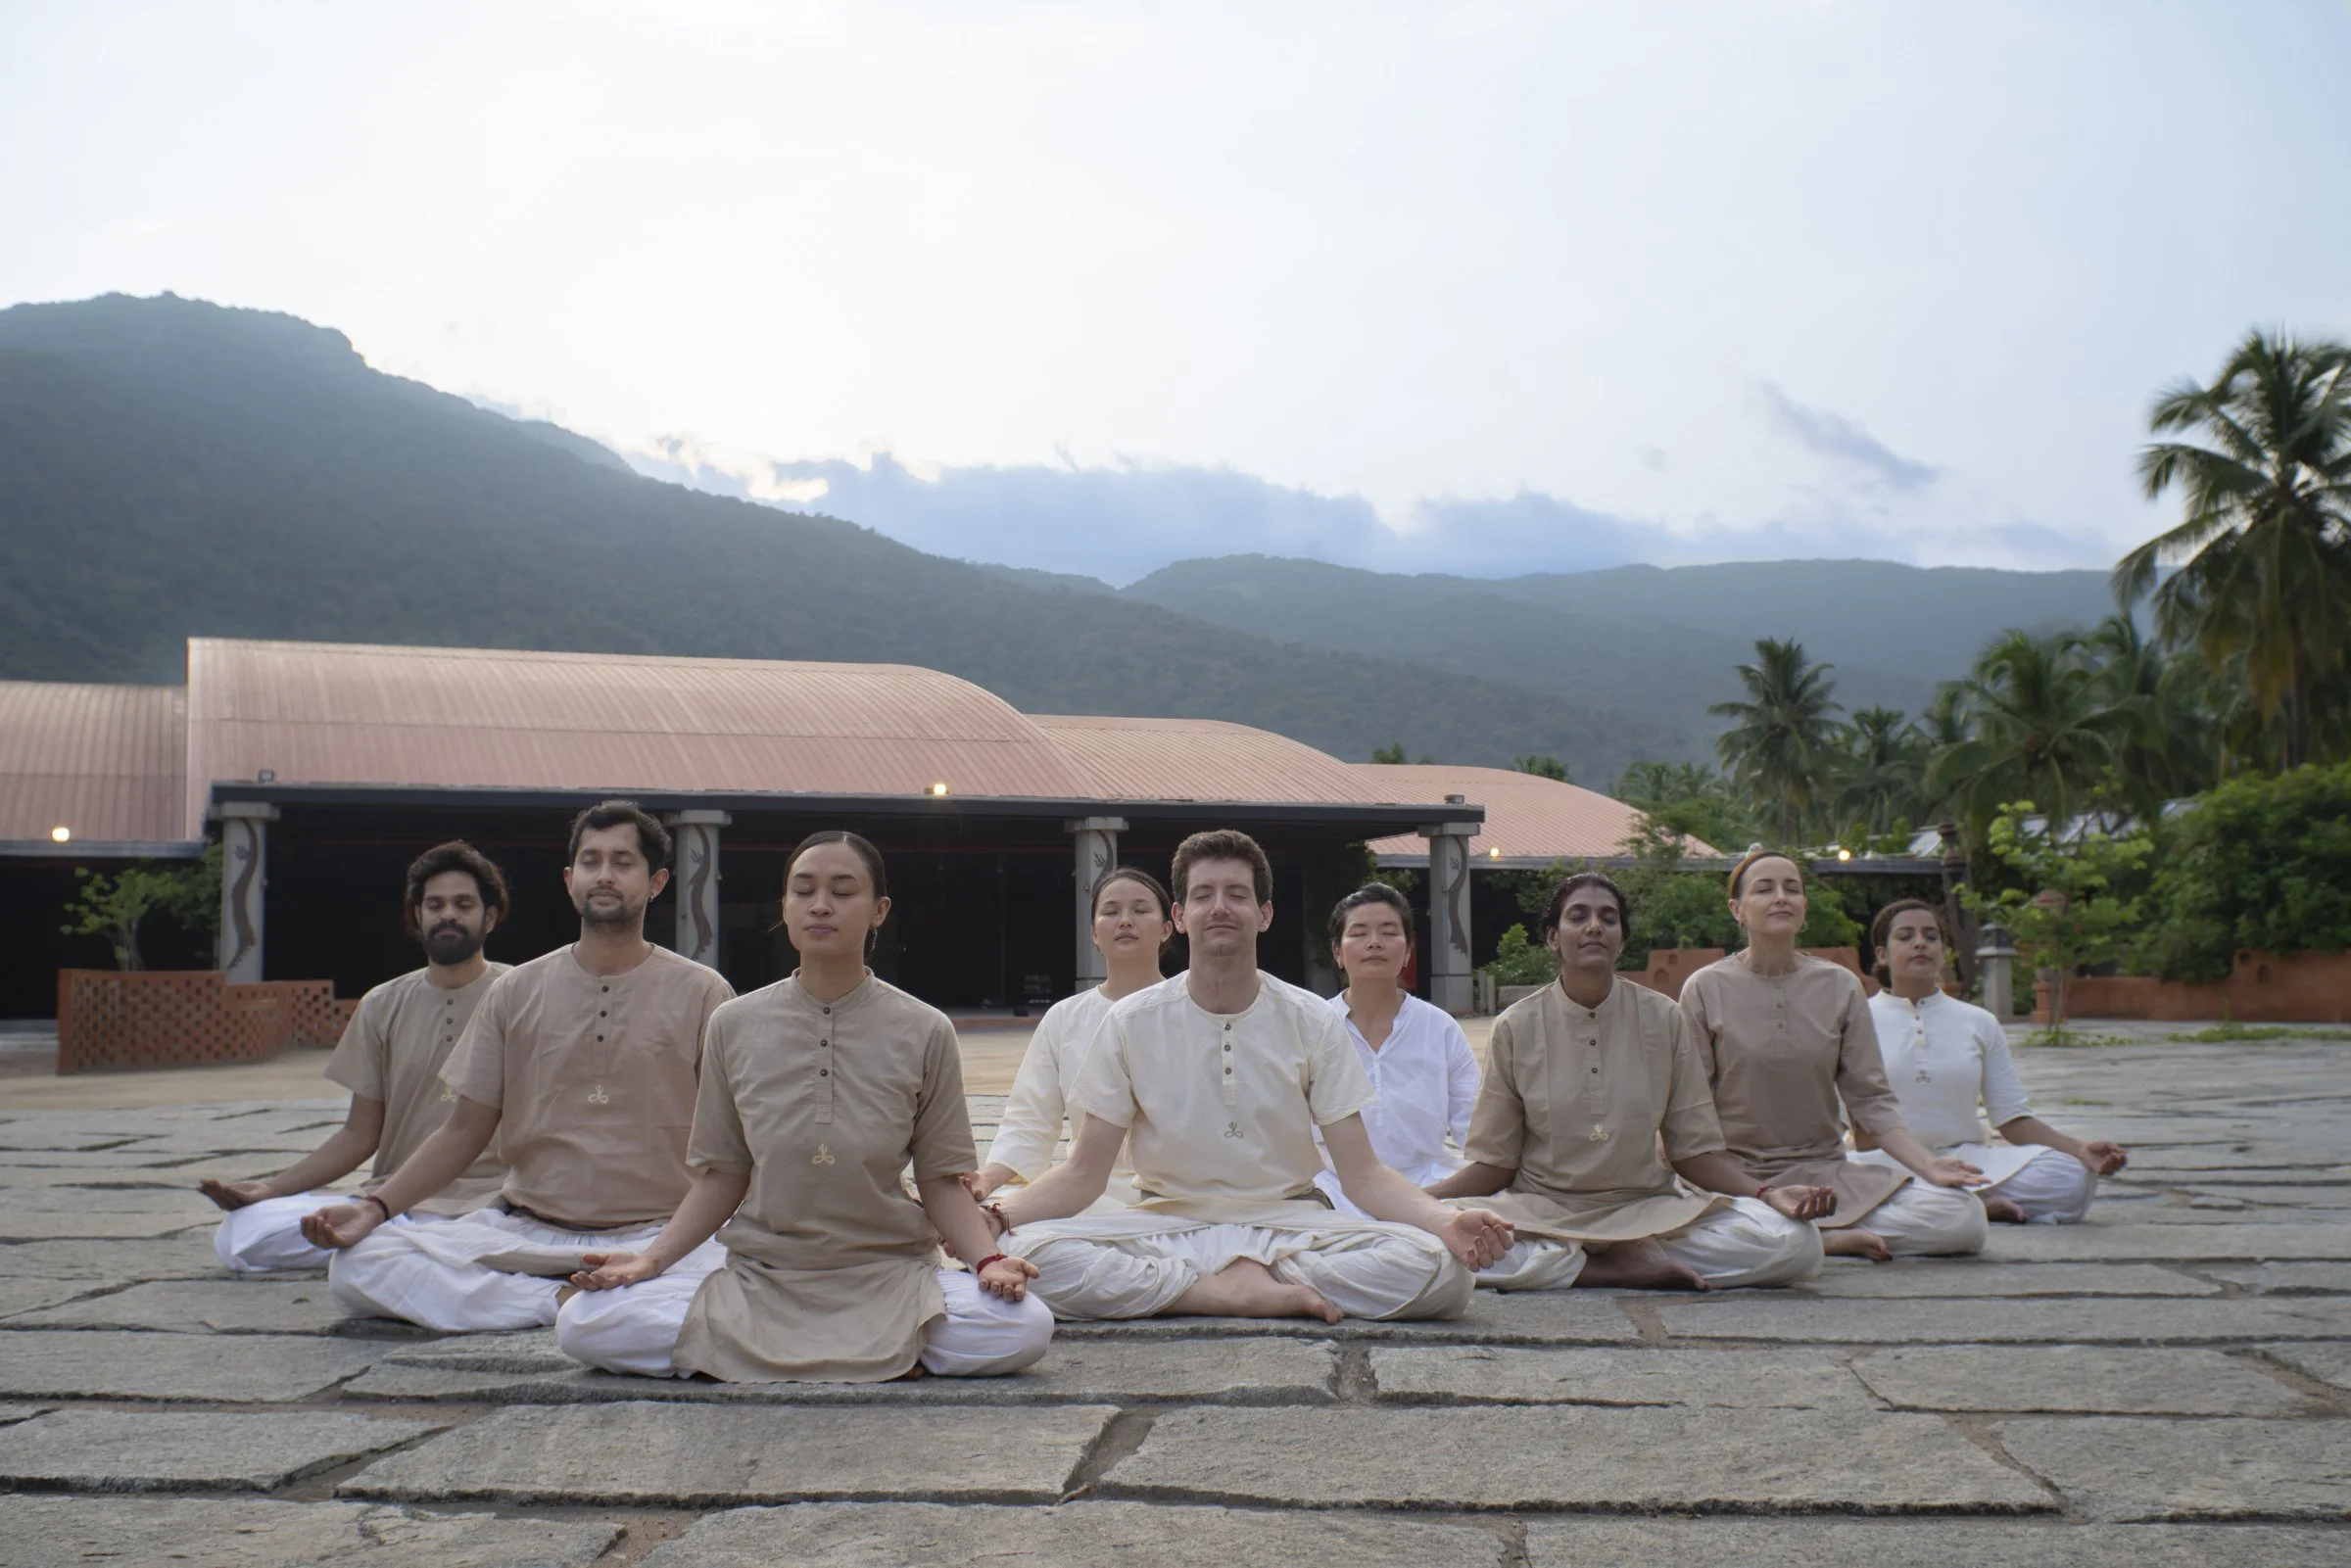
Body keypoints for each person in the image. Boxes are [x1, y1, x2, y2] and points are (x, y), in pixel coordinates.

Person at [558, 832, 1054, 1380]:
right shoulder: (734, 1024)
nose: (821, 905)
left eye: (843, 892)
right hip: (765, 1275)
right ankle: (892, 1355)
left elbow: (940, 1181)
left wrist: (987, 1260)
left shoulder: (924, 1029)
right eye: (804, 891)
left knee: (1026, 1326)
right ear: (785, 908)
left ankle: (743, 1354)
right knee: (584, 1322)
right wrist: (652, 1259)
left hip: (887, 1271)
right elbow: (723, 1173)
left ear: (878, 911)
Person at [984, 830, 1513, 1324]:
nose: (1219, 907)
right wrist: (996, 1217)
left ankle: (1207, 1284)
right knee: (1022, 1253)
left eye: (1236, 895)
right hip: (1169, 1222)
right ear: (1181, 915)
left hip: (1289, 1223)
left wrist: (1443, 1221)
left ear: (1264, 914)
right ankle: (1219, 1291)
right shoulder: (1129, 1021)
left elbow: (1363, 1175)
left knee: (1442, 1271)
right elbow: (1083, 1174)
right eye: (1204, 895)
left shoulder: (1311, 1018)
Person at [303, 800, 735, 1331]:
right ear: (570, 878)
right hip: (527, 1232)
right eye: (592, 861)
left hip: (659, 1235)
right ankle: (559, 1304)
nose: (604, 875)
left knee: (735, 1277)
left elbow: (729, 1149)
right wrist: (374, 1207)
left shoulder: (703, 992)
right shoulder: (516, 991)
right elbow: (462, 1129)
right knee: (359, 1264)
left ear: (657, 881)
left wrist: (665, 1250)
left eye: (623, 862)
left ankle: (581, 1303)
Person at [1430, 873, 1829, 1291]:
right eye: (1577, 916)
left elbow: (1693, 1154)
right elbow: (1495, 1164)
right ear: (1553, 937)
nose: (1594, 927)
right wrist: (1421, 1202)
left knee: (1797, 1244)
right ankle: (1605, 1269)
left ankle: (1585, 1262)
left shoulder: (1664, 1018)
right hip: (1541, 1212)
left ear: (1621, 940)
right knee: (1435, 1243)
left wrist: (1767, 1193)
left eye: (1608, 918)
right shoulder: (1516, 1026)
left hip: (1647, 1210)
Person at [200, 842, 514, 1272]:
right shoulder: (382, 1003)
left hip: (488, 1202)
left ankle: (397, 1251)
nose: (449, 916)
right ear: (417, 916)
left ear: (490, 917)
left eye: (464, 904)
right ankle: (402, 1250)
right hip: (392, 1200)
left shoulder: (523, 995)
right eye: (435, 904)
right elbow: (358, 1134)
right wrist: (270, 1190)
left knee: (401, 1250)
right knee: (242, 1234)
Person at [1680, 850, 1988, 1261]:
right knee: (1733, 1235)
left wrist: (1929, 1165)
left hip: (1825, 1174)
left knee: (1963, 1219)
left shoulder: (1840, 987)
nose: (1781, 897)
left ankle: (1805, 1236)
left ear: (1804, 908)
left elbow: (1871, 1101)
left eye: (1792, 889)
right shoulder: (1704, 989)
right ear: (1737, 909)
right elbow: (1689, 1109)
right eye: (1765, 889)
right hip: (1737, 1178)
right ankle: (1819, 1240)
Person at [1858, 898, 2128, 1224]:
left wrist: (2080, 1148)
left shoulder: (1978, 1021)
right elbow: (1851, 1127)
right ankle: (1971, 1205)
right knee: (1831, 1177)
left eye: (1931, 936)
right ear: (1882, 955)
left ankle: (1945, 1204)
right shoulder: (1857, 1020)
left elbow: (2013, 1119)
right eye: (1905, 936)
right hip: (1886, 1162)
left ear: (1944, 951)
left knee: (2071, 1175)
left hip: (1965, 1158)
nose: (1920, 943)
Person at [968, 867, 1173, 1201]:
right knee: (989, 1229)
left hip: (1177, 1198)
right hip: (1088, 1195)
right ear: (1093, 933)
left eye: (1140, 910)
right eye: (1110, 911)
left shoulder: (1191, 1010)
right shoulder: (1065, 1018)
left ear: (1167, 928)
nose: (1124, 921)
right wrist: (988, 1178)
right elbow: (1030, 1118)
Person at [1312, 883, 1480, 1214]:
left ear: (1407, 952)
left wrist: (1425, 1202)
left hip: (1433, 1185)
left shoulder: (1441, 1029)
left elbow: (1474, 1133)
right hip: (1335, 1190)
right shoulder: (1313, 1027)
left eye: (1389, 932)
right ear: (1337, 952)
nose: (1374, 942)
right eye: (1359, 933)